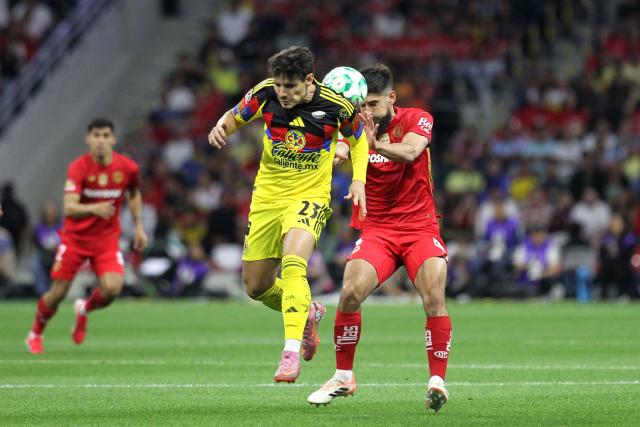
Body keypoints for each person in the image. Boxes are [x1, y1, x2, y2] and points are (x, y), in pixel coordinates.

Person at [208, 46, 368, 382]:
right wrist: (220, 127)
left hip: (309, 196)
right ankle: (306, 311)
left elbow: (358, 141)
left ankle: (290, 352)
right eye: (280, 85)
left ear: (309, 80)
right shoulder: (265, 93)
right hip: (267, 199)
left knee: (295, 264)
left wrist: (358, 180)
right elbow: (234, 116)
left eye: (290, 87)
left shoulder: (335, 106)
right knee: (255, 286)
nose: (283, 93)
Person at [307, 64, 452, 412]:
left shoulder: (418, 118)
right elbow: (338, 151)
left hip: (420, 227)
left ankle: (437, 381)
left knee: (434, 296)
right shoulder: (352, 127)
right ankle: (343, 376)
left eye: (373, 104)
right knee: (350, 293)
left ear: (391, 97)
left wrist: (375, 145)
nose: (366, 112)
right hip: (378, 230)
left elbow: (413, 151)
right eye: (361, 106)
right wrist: (341, 150)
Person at [25, 118, 148, 354]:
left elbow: (134, 194)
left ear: (113, 139)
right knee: (58, 293)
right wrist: (94, 208)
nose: (100, 141)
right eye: (96, 136)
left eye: (105, 136)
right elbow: (69, 208)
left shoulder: (128, 168)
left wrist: (139, 226)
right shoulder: (78, 167)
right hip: (75, 239)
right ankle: (35, 332)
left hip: (106, 240)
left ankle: (83, 309)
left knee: (112, 289)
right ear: (88, 139)